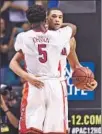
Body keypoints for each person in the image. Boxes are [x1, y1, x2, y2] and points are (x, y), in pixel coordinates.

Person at [9, 4, 77, 134]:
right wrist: (55, 25)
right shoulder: (59, 36)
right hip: (55, 84)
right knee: (56, 130)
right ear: (46, 19)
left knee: (30, 129)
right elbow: (73, 28)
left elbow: (14, 62)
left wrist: (27, 77)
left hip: (34, 82)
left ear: (29, 21)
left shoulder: (23, 37)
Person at [46, 7, 97, 133]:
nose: (57, 20)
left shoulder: (69, 39)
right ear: (46, 19)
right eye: (53, 17)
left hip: (58, 87)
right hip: (39, 85)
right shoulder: (37, 36)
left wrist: (88, 81)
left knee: (59, 129)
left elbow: (75, 66)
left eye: (60, 17)